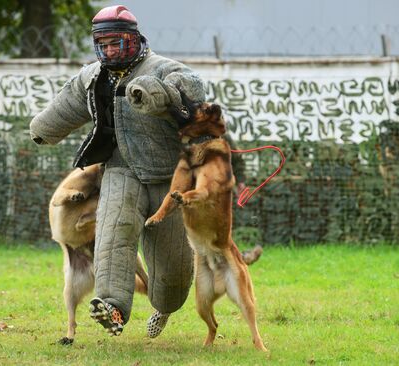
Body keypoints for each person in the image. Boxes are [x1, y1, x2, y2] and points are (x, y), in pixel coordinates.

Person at [30, 4, 244, 338]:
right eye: (104, 43)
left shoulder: (163, 67)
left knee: (172, 270)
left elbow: (191, 88)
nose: (111, 49)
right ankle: (112, 306)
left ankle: (165, 305)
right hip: (120, 170)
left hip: (170, 177)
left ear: (135, 39)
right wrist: (43, 128)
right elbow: (70, 101)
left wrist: (160, 95)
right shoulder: (92, 77)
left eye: (118, 42)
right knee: (114, 234)